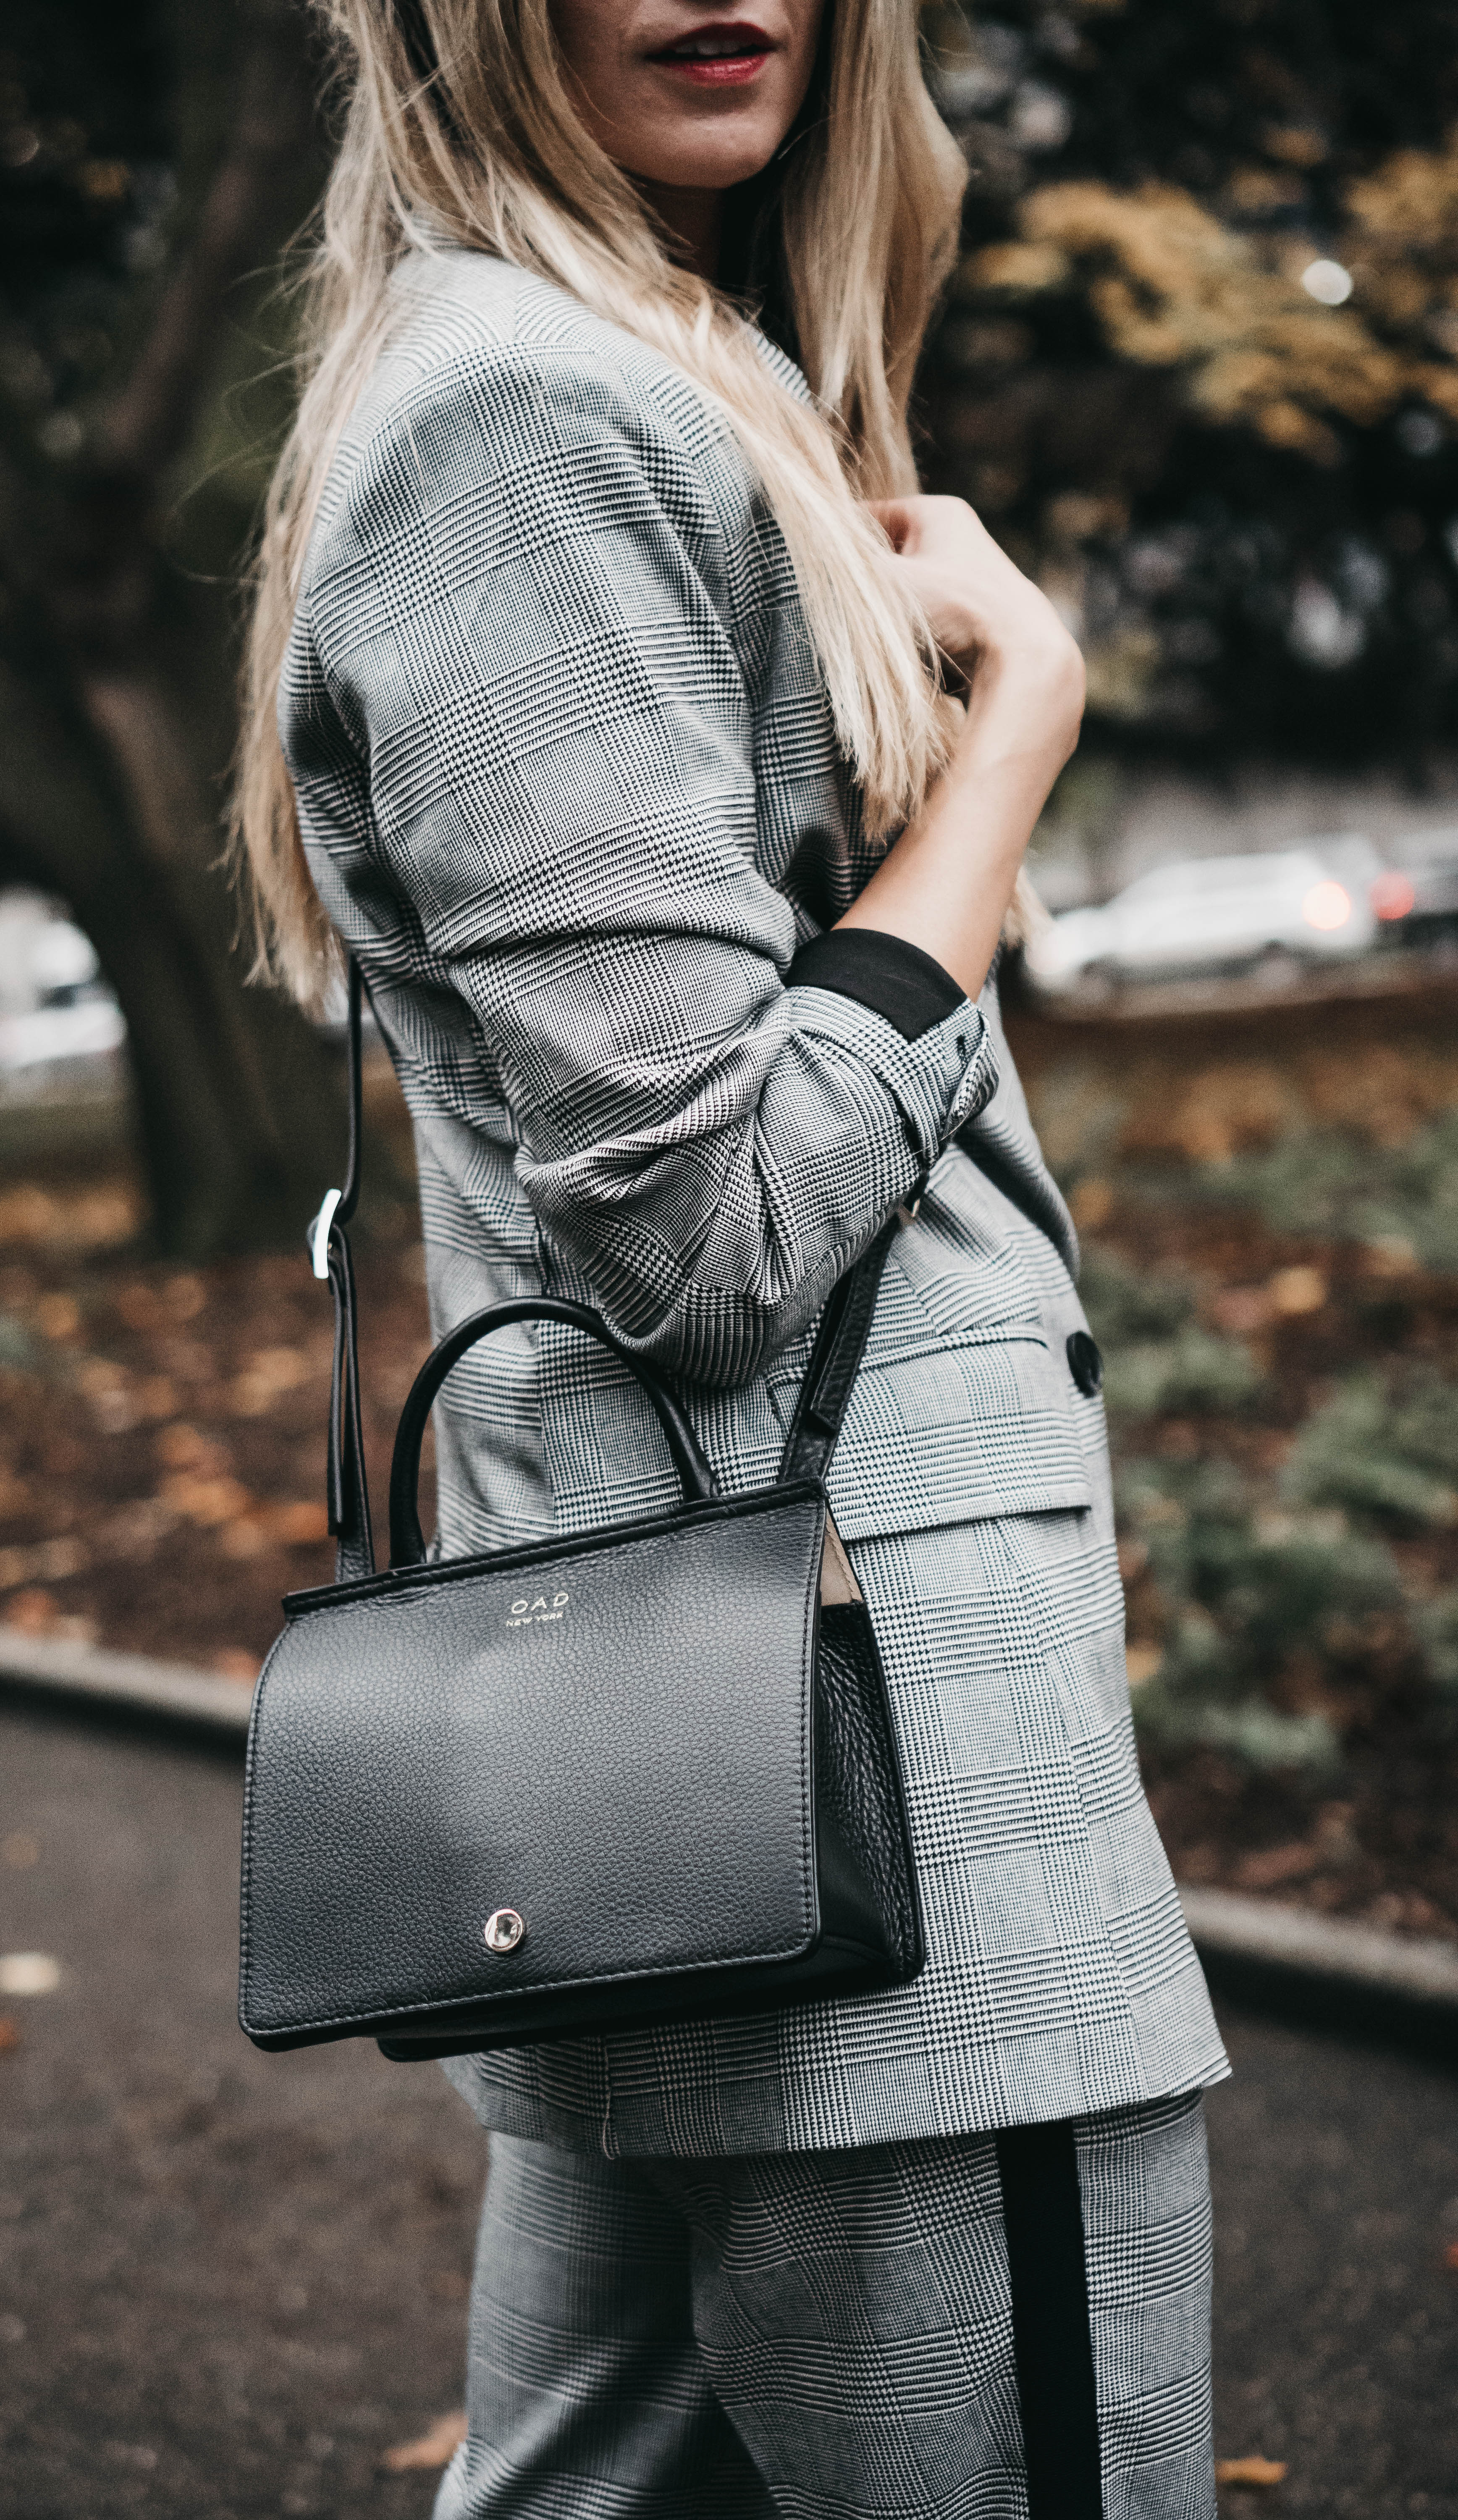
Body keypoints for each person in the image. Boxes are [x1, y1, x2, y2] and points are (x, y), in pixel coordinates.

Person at [233, 1, 1228, 2510]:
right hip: (881, 1802)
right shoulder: (530, 427)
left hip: (702, 1749)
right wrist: (1012, 749)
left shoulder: (642, 370)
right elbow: (703, 1229)